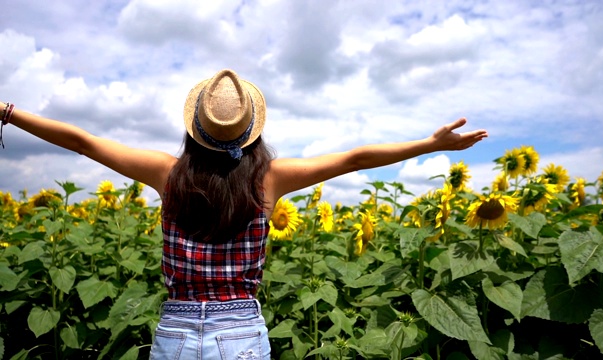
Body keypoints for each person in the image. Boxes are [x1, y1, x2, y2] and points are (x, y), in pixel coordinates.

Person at [0, 69, 488, 359]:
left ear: (195, 128)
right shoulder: (269, 179)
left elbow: (82, 142)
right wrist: (429, 143)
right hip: (242, 333)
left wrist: (9, 113)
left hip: (175, 329)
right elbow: (355, 159)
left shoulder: (166, 175)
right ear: (250, 129)